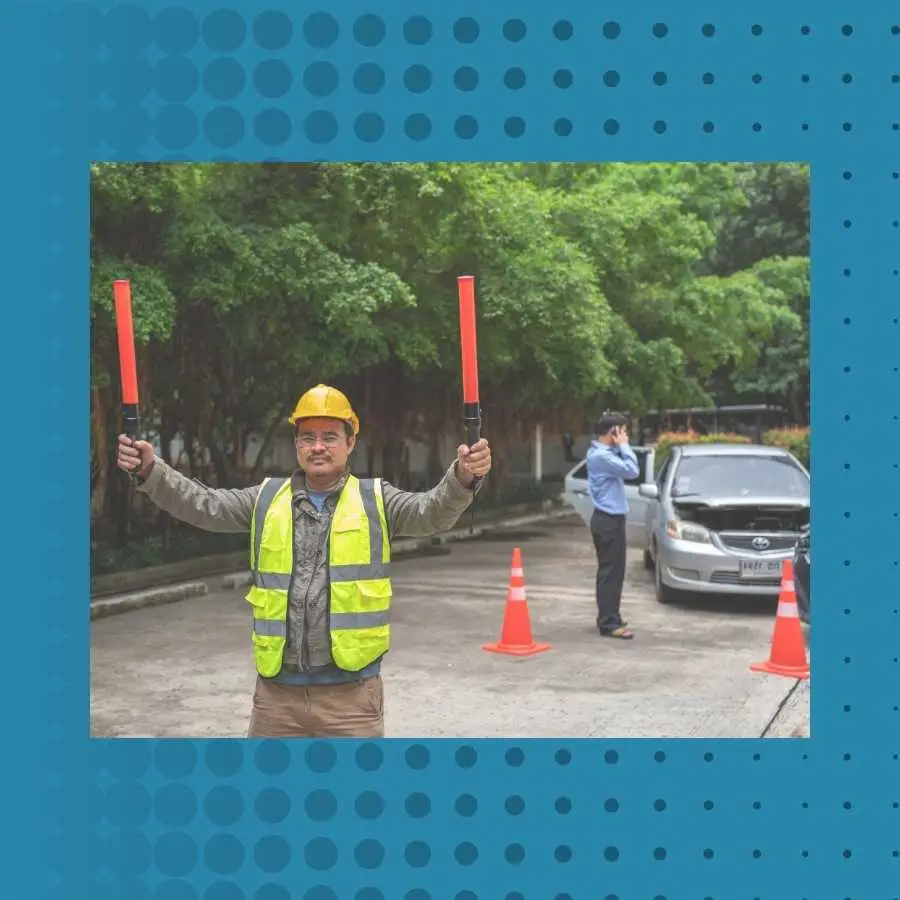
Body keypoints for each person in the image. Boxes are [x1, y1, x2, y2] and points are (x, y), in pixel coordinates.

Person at [116, 384, 492, 738]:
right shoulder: (265, 499)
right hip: (277, 701)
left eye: (329, 437)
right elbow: (203, 504)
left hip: (351, 700)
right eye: (308, 437)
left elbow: (432, 512)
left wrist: (461, 476)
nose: (318, 447)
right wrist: (151, 471)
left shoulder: (376, 500)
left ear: (350, 443)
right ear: (296, 445)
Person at [586, 412, 639, 639]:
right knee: (610, 572)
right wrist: (625, 446)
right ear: (614, 432)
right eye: (623, 431)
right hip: (608, 520)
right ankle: (609, 623)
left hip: (609, 519)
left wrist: (620, 446)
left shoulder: (603, 453)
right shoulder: (602, 456)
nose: (625, 436)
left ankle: (609, 616)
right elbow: (632, 470)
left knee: (613, 572)